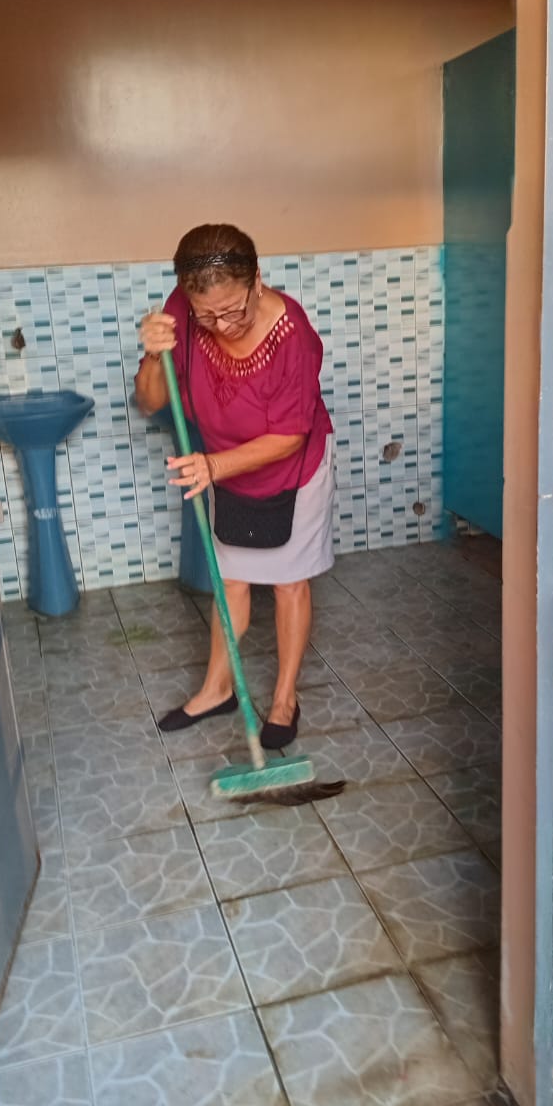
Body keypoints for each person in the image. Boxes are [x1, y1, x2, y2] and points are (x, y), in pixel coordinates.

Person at [134, 223, 334, 749]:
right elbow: (150, 401)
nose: (220, 325)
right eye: (207, 316)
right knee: (232, 581)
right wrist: (154, 354)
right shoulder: (184, 308)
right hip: (223, 466)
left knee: (288, 582)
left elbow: (290, 436)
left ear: (257, 281)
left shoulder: (292, 336)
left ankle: (284, 699)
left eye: (232, 311)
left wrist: (214, 466)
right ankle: (216, 689)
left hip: (293, 469)